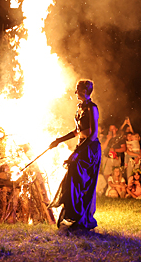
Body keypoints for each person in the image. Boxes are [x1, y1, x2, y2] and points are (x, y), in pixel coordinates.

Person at [49, 79, 101, 231]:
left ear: (84, 91)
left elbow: (92, 134)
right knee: (71, 182)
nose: (75, 92)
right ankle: (74, 217)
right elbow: (76, 131)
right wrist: (58, 140)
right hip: (82, 146)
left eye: (77, 89)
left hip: (90, 149)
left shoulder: (92, 108)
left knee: (82, 183)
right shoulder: (80, 107)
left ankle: (83, 220)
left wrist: (76, 153)